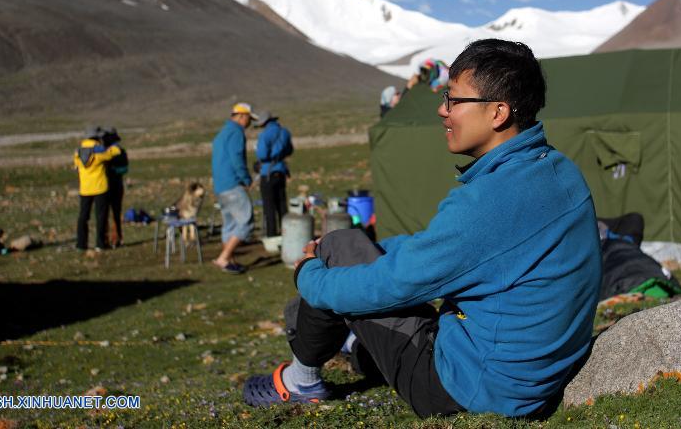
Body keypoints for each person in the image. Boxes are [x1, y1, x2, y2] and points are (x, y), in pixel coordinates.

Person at [242, 39, 602, 418]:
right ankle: (339, 337)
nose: (442, 110)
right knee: (354, 252)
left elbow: (394, 283)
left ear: (497, 113)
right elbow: (438, 250)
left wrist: (310, 276)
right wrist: (373, 252)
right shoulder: (558, 171)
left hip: (467, 389)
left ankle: (300, 382)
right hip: (530, 376)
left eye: (454, 100)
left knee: (336, 249)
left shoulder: (487, 203)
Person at [212, 103, 258, 274]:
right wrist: (246, 179)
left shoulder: (222, 133)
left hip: (220, 185)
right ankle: (224, 257)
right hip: (233, 184)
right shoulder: (236, 133)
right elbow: (237, 158)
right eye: (249, 119)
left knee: (229, 224)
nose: (249, 123)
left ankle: (228, 260)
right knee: (246, 221)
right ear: (242, 117)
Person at [74, 126, 121, 251]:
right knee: (101, 216)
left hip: (85, 188)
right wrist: (111, 143)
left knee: (83, 216)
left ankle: (81, 244)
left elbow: (76, 166)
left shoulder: (78, 152)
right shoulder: (99, 151)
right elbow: (115, 151)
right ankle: (100, 244)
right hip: (100, 187)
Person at [254, 111, 293, 238]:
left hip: (267, 173)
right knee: (282, 203)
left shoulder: (264, 135)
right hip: (281, 171)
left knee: (269, 205)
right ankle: (287, 233)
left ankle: (272, 235)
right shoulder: (285, 132)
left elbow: (262, 155)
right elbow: (290, 150)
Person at [102, 127, 129, 247]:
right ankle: (114, 238)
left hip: (108, 185)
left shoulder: (104, 152)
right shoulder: (119, 151)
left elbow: (124, 168)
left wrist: (111, 171)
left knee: (108, 213)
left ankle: (112, 238)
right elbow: (125, 169)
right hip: (115, 185)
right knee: (114, 213)